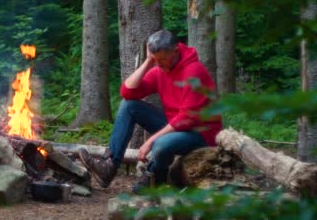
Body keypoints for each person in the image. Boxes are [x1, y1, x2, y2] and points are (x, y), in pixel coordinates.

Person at [78, 29, 222, 192]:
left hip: (201, 134)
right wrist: (147, 61)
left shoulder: (193, 71)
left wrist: (149, 141)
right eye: (155, 59)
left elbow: (187, 118)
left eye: (162, 59)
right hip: (176, 127)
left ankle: (154, 178)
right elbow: (127, 92)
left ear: (175, 51)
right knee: (129, 106)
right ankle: (109, 166)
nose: (158, 64)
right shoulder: (161, 69)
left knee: (160, 143)